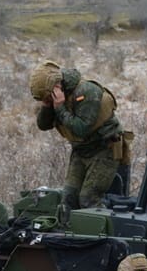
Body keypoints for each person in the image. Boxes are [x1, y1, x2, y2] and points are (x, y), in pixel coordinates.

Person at [29, 60, 128, 210]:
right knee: (69, 198)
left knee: (88, 199)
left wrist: (60, 108)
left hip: (105, 149)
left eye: (46, 97)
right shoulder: (56, 97)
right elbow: (43, 125)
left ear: (56, 86)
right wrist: (47, 106)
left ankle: (108, 222)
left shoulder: (87, 91)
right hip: (81, 151)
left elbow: (81, 129)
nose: (46, 100)